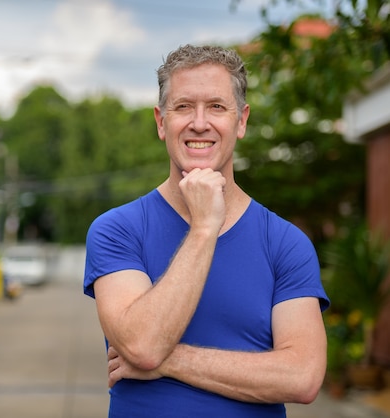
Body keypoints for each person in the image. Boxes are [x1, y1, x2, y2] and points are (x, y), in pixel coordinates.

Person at [83, 44, 330, 418]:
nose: (200, 123)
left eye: (217, 106)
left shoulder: (285, 243)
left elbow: (303, 378)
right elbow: (143, 345)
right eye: (183, 107)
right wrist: (204, 227)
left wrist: (170, 362)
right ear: (161, 122)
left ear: (241, 121)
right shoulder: (117, 230)